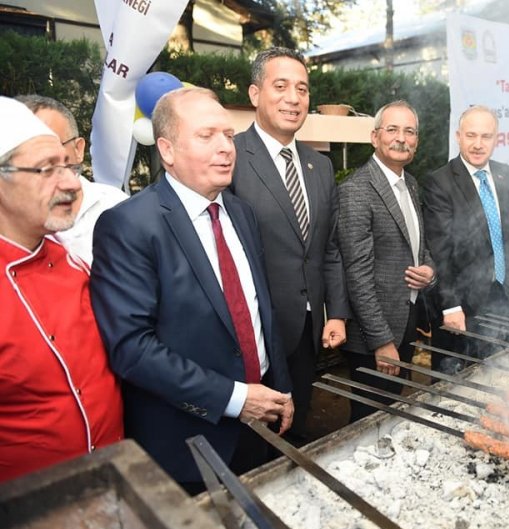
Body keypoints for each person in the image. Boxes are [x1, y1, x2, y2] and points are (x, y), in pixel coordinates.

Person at [90, 88, 293, 495]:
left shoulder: (240, 211)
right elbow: (132, 348)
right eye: (206, 136)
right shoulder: (129, 225)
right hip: (187, 443)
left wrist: (280, 385)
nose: (225, 148)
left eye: (229, 136)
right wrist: (235, 398)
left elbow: (256, 309)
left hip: (259, 426)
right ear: (166, 149)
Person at [0, 96, 123, 482]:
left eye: (68, 166)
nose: (71, 183)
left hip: (114, 480)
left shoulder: (74, 262)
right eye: (47, 169)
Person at [230, 47, 349, 440]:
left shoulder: (320, 165)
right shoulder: (231, 159)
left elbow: (328, 248)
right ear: (254, 94)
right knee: (253, 442)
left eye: (302, 88)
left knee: (297, 429)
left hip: (307, 330)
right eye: (280, 86)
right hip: (252, 331)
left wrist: (335, 312)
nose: (294, 98)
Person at [337, 101, 436, 421]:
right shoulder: (356, 190)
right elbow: (357, 274)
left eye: (409, 131)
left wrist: (430, 271)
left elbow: (419, 247)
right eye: (392, 129)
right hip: (374, 336)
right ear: (374, 137)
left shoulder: (410, 183)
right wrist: (381, 341)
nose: (401, 138)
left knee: (391, 412)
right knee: (369, 420)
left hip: (405, 320)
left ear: (417, 141)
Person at [423, 106, 509, 373]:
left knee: (501, 378)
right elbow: (441, 251)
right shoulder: (439, 182)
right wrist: (450, 306)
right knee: (456, 390)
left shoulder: (507, 175)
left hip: (504, 301)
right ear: (458, 136)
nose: (478, 144)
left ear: (497, 140)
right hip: (462, 309)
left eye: (486, 136)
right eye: (471, 135)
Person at [16, 95, 127, 266]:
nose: (39, 160)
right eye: (22, 151)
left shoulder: (118, 208)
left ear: (78, 149)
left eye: (51, 148)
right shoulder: (9, 221)